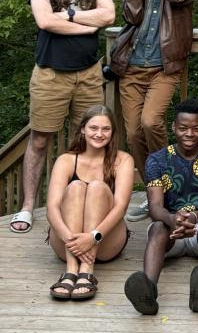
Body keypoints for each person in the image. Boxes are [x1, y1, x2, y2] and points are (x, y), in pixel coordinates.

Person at [11, 0, 116, 234]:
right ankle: (29, 207)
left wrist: (68, 15)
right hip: (50, 74)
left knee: (89, 143)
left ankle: (82, 204)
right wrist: (87, 23)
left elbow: (108, 15)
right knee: (40, 139)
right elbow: (44, 20)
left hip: (88, 74)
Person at [110, 0, 198, 187]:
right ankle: (154, 187)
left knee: (151, 122)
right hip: (132, 67)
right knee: (133, 133)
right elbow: (132, 16)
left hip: (164, 67)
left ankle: (169, 182)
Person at [124, 99, 198, 315]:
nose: (189, 133)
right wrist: (173, 220)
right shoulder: (157, 160)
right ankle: (148, 292)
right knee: (157, 227)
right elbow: (155, 207)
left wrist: (195, 217)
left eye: (195, 128)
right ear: (173, 127)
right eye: (183, 128)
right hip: (171, 230)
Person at [46, 105, 134, 300]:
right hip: (66, 241)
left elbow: (121, 207)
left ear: (112, 132)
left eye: (106, 129)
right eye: (94, 128)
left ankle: (86, 271)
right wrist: (72, 240)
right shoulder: (66, 160)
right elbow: (51, 208)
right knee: (76, 186)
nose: (99, 134)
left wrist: (92, 237)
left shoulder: (123, 159)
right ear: (83, 129)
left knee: (97, 187)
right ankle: (70, 270)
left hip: (105, 240)